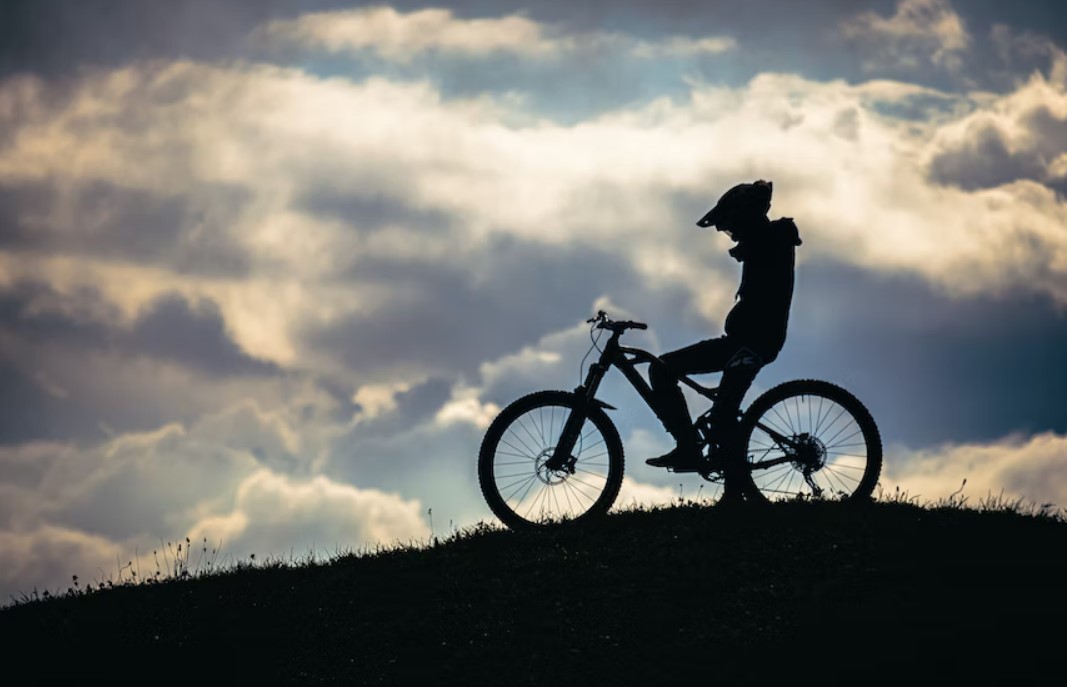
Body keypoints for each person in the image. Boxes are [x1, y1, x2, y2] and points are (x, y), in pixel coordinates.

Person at [645, 179, 802, 471]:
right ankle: (700, 457)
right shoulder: (768, 240)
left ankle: (699, 457)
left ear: (747, 218)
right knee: (676, 379)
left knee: (709, 406)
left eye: (733, 225)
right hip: (745, 342)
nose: (731, 235)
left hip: (751, 344)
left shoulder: (771, 239)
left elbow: (755, 246)